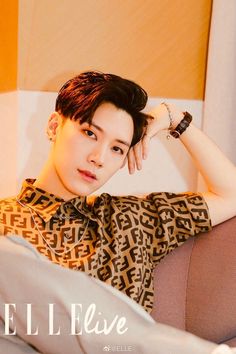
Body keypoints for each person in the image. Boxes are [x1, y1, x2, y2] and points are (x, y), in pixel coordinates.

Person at [0, 70, 236, 315]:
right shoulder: (4, 221)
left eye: (116, 149)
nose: (99, 158)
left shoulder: (134, 219)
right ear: (53, 127)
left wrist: (174, 119)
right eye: (90, 133)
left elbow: (230, 194)